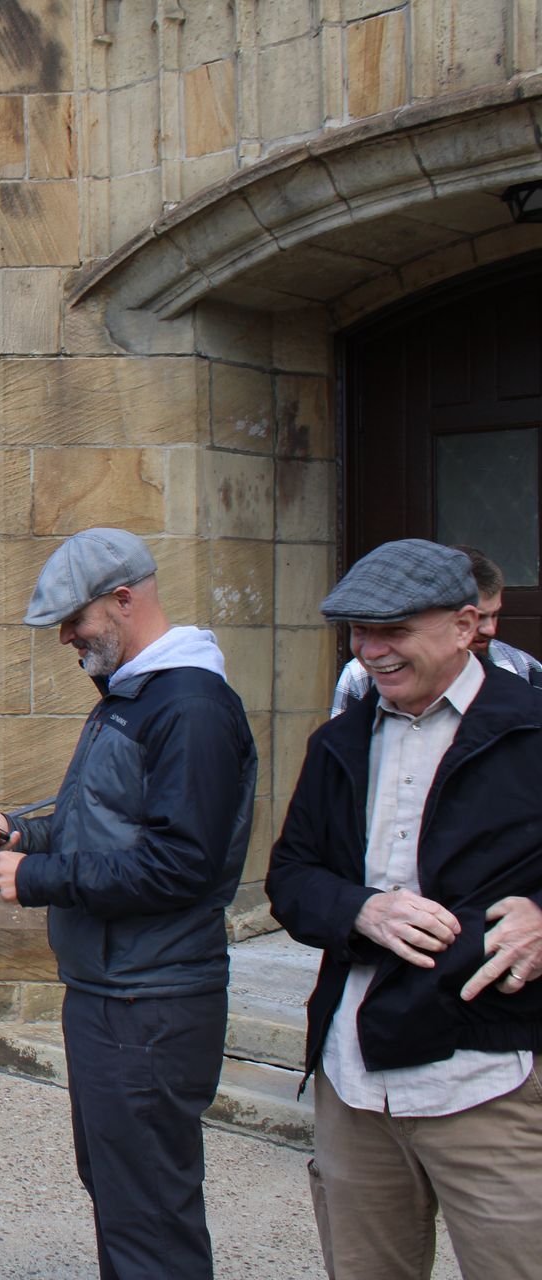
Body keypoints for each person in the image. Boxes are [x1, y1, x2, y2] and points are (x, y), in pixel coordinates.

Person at [0, 527, 256, 1280]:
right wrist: (23, 832)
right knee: (124, 1199)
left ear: (125, 599)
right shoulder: (131, 697)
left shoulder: (189, 706)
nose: (64, 639)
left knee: (148, 1218)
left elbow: (180, 866)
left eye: (74, 620)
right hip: (112, 993)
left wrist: (40, 878)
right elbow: (107, 828)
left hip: (152, 1001)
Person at [267, 539, 542, 1278]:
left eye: (393, 630)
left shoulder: (532, 728)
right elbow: (290, 877)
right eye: (359, 632)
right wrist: (362, 910)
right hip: (354, 1082)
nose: (371, 651)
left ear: (464, 626)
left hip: (489, 1078)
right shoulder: (339, 741)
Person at [331, 543, 542, 714]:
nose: (489, 630)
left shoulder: (524, 669)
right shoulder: (361, 678)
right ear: (462, 621)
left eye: (494, 615)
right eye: (479, 617)